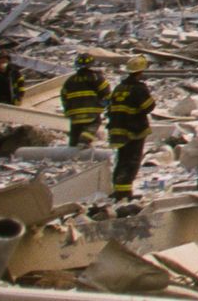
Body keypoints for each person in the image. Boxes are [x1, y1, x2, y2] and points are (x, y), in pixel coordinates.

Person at [107, 56, 154, 200]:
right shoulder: (139, 89)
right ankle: (124, 194)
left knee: (122, 160)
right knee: (131, 162)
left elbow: (110, 108)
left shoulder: (118, 88)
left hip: (117, 130)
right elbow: (149, 106)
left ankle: (118, 190)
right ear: (140, 72)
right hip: (134, 130)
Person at [61, 53, 110, 148]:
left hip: (75, 115)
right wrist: (105, 106)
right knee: (95, 123)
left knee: (75, 132)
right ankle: (84, 140)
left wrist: (67, 111)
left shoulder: (70, 80)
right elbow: (106, 93)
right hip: (91, 113)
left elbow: (64, 97)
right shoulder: (96, 77)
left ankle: (72, 146)